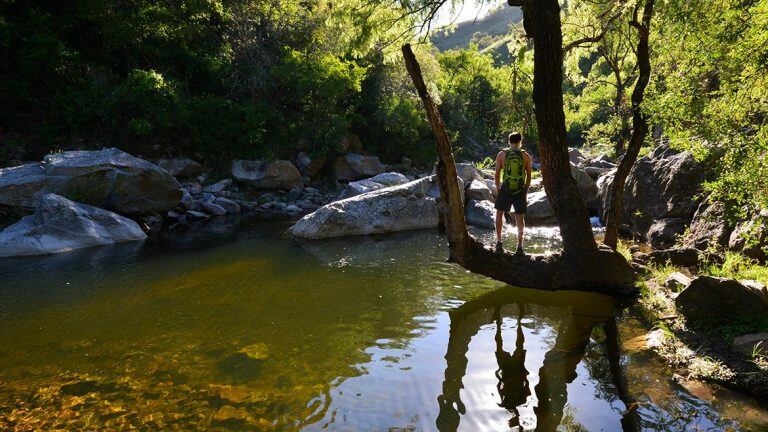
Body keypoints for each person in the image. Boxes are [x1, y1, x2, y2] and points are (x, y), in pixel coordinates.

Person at [494, 132, 532, 254]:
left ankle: (499, 243)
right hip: (520, 189)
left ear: (509, 141)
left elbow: (497, 174)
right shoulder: (526, 156)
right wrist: (525, 191)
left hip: (505, 188)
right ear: (520, 141)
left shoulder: (501, 154)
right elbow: (529, 176)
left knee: (499, 215)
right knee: (520, 218)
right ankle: (520, 246)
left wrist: (499, 188)